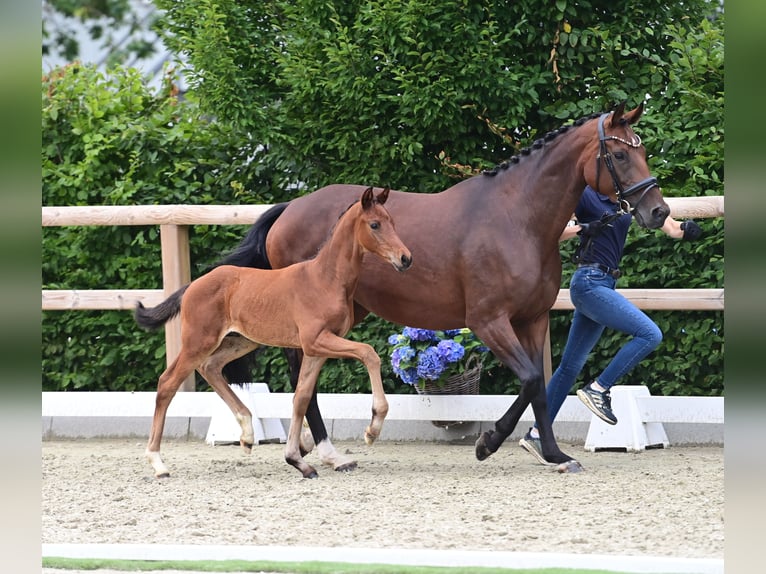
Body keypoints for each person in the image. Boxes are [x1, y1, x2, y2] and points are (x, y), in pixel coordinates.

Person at [519, 184, 703, 464]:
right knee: (650, 334)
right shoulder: (586, 196)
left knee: (569, 367)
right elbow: (549, 232)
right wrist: (583, 229)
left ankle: (536, 433)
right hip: (589, 282)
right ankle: (598, 389)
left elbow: (669, 225)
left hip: (605, 284)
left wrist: (685, 231)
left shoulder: (629, 201)